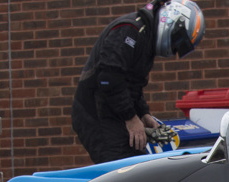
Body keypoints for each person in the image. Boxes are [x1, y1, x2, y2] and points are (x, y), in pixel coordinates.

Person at [71, 0, 205, 164]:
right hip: (96, 114)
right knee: (120, 169)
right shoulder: (129, 30)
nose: (174, 49)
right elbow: (108, 78)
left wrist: (143, 114)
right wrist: (131, 118)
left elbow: (133, 85)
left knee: (137, 162)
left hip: (114, 113)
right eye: (177, 42)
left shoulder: (145, 37)